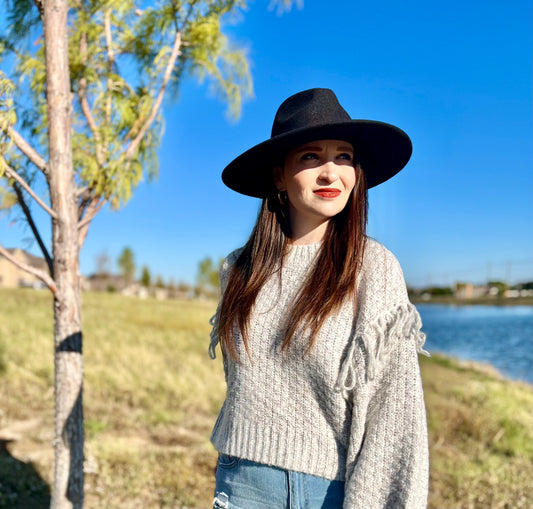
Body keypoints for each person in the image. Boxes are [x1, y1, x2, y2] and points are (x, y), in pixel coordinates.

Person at [208, 88, 429, 509]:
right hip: (240, 483)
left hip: (328, 491)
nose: (331, 173)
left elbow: (394, 416)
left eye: (343, 157)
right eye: (311, 157)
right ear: (279, 175)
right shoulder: (237, 269)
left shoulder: (375, 268)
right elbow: (242, 387)